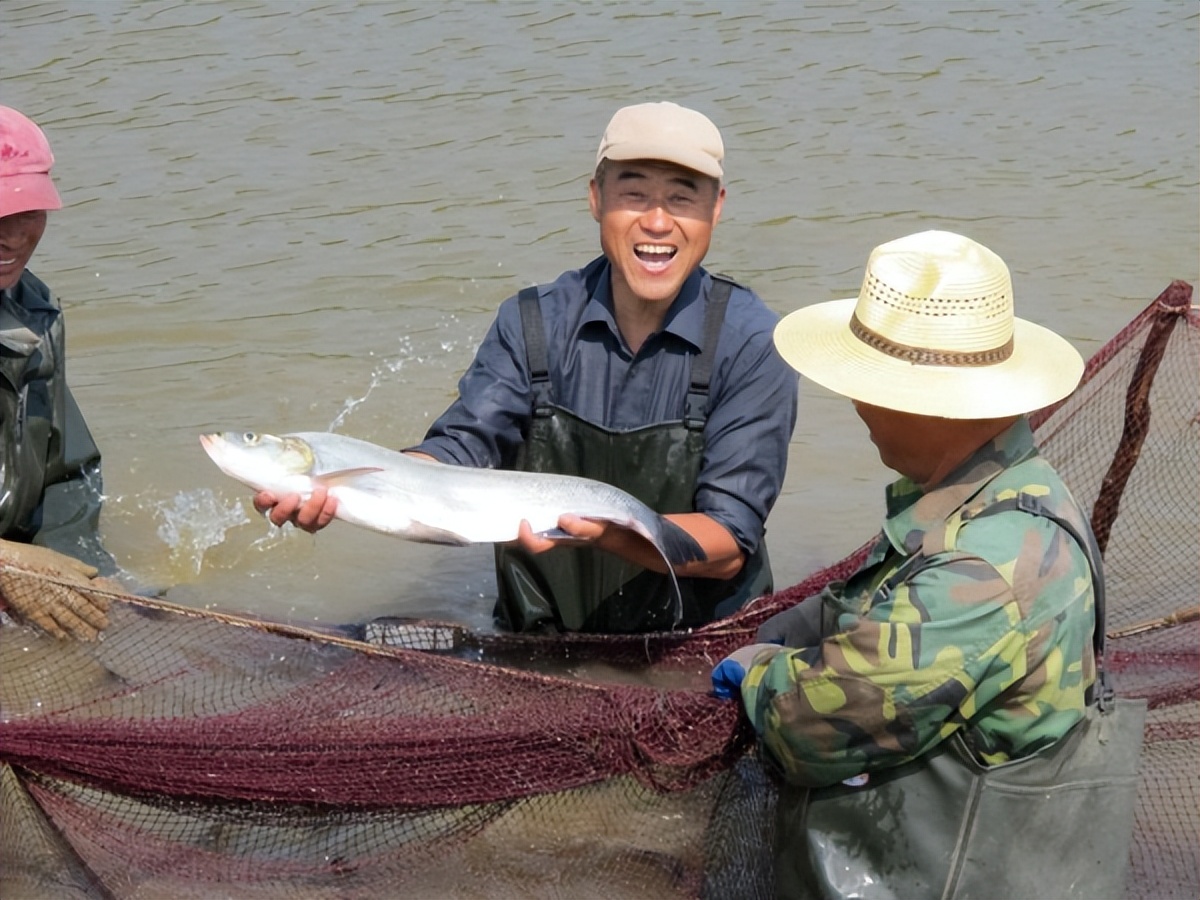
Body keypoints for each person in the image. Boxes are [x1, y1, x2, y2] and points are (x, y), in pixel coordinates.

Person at [710, 229, 1145, 899]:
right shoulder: (1003, 491)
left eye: (869, 386)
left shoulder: (987, 569)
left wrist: (761, 671)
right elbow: (883, 606)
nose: (856, 405)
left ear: (935, 404)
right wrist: (803, 624)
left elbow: (809, 727)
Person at [257, 101, 799, 633]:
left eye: (682, 198)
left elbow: (728, 543)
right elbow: (461, 450)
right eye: (634, 193)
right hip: (542, 638)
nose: (657, 222)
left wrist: (606, 532)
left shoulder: (751, 342)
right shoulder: (532, 323)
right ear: (594, 197)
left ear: (717, 207)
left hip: (699, 641)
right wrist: (358, 489)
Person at [0, 105, 114, 641]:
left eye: (29, 212)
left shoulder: (32, 310)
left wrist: (83, 573)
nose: (14, 238)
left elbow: (68, 473)